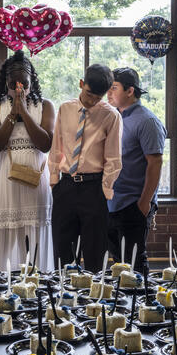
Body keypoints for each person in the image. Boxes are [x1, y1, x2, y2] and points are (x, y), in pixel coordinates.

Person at [0, 51, 54, 271]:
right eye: (13, 83)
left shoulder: (45, 106)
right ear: (6, 83)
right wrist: (13, 113)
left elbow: (45, 144)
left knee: (34, 242)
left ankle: (36, 286)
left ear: (32, 82)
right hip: (4, 182)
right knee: (2, 242)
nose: (19, 88)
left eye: (24, 83)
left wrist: (26, 113)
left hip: (34, 186)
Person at [50, 64, 122, 272]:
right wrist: (54, 181)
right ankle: (63, 299)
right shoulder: (65, 108)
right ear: (82, 84)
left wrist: (105, 190)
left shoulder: (111, 116)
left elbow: (113, 157)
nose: (91, 101)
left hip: (94, 189)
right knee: (63, 253)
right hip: (66, 186)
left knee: (94, 254)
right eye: (89, 93)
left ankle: (93, 302)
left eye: (97, 97)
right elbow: (56, 146)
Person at [105, 67, 165, 273]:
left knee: (134, 264)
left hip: (134, 203)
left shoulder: (147, 121)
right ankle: (121, 305)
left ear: (130, 91)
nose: (108, 93)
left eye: (114, 88)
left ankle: (142, 303)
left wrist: (144, 203)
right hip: (112, 202)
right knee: (118, 264)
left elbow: (155, 163)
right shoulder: (115, 118)